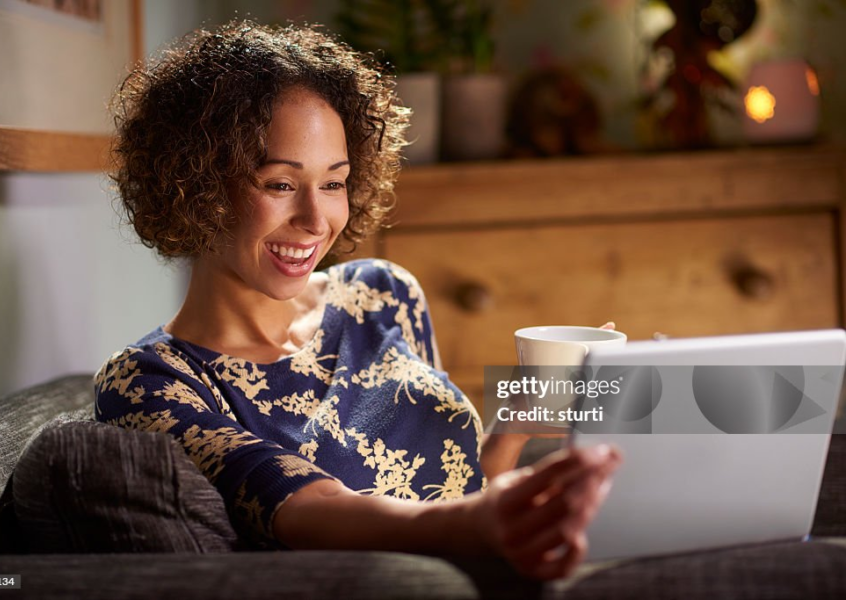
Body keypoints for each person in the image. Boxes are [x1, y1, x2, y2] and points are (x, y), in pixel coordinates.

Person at [94, 19, 621, 580]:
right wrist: (481, 524)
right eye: (279, 184)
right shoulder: (148, 383)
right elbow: (309, 509)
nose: (315, 220)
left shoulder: (381, 292)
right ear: (195, 184)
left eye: (333, 183)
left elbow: (461, 484)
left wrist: (513, 429)